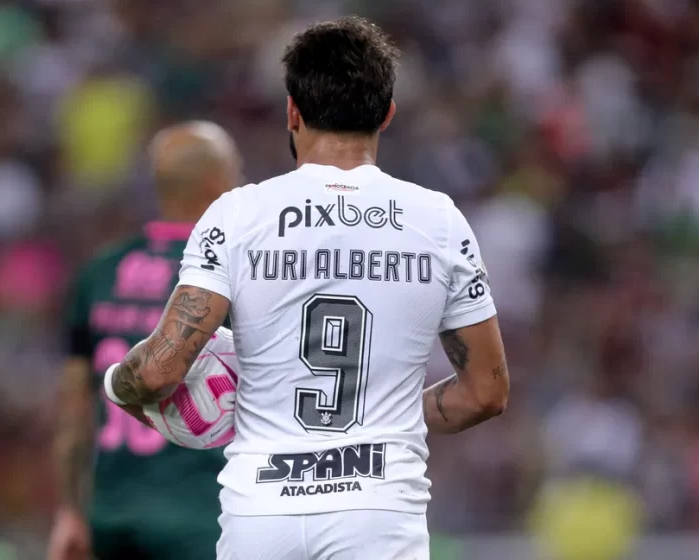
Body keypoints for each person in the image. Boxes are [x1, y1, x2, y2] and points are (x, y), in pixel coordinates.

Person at [104, 16, 510, 560]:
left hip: (260, 513)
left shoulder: (238, 215)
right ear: (386, 113)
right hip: (379, 511)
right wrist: (385, 420)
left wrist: (115, 384)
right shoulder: (438, 222)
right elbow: (486, 392)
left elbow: (157, 370)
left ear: (292, 110)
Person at [48, 121, 242, 560]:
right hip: (204, 517)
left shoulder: (100, 271)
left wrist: (70, 512)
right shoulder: (230, 274)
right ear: (218, 182)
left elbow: (74, 409)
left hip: (112, 517)